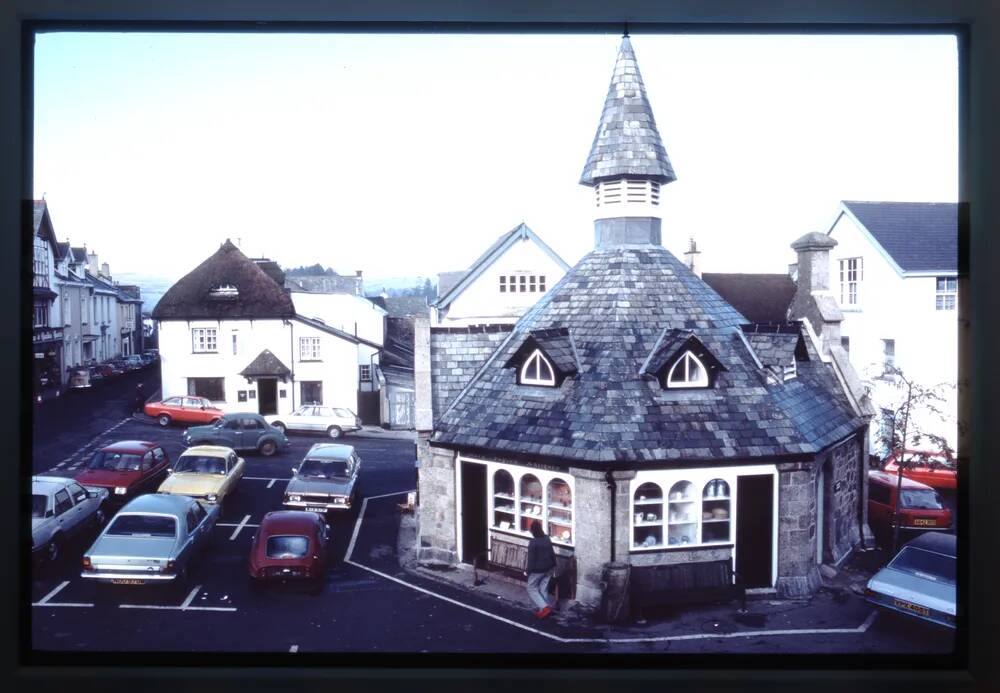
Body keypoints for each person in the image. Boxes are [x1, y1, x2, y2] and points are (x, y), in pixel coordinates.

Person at [524, 520, 556, 619]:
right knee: (543, 588)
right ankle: (543, 611)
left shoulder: (533, 542)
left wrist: (528, 571)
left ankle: (545, 608)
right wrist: (554, 564)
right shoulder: (547, 539)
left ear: (533, 531)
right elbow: (552, 553)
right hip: (549, 567)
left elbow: (531, 560)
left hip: (538, 570)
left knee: (531, 588)